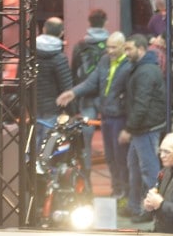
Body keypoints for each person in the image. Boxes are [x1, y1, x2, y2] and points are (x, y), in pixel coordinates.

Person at [56, 31, 132, 207]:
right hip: (106, 116)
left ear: (123, 47)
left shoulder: (129, 65)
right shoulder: (105, 60)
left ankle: (126, 193)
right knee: (111, 157)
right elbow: (92, 82)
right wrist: (73, 93)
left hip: (121, 118)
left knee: (121, 158)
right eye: (108, 47)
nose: (110, 51)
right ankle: (117, 189)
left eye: (114, 47)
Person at [120, 33, 165, 223]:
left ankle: (151, 211)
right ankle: (134, 206)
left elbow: (141, 104)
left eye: (129, 49)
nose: (126, 53)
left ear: (140, 49)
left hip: (145, 128)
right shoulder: (142, 68)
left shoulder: (145, 71)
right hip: (142, 128)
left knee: (148, 171)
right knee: (135, 168)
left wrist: (129, 129)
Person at [34, 17, 74, 136]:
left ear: (43, 29)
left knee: (32, 141)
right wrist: (72, 111)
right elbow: (66, 86)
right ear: (61, 33)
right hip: (53, 107)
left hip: (31, 105)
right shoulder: (59, 57)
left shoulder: (29, 52)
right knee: (48, 143)